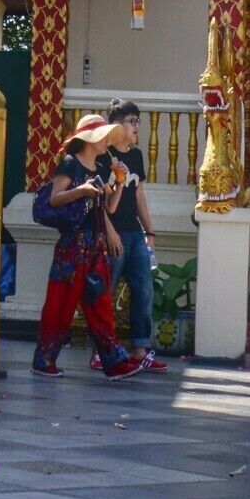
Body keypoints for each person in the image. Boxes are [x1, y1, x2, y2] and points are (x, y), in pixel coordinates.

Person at [29, 113, 140, 381]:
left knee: (100, 302)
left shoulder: (101, 167)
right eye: (102, 137)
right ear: (90, 140)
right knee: (60, 303)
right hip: (73, 244)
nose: (107, 143)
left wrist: (120, 182)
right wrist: (82, 190)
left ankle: (114, 362)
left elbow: (109, 208)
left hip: (95, 244)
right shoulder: (70, 164)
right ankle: (44, 359)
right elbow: (55, 200)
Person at [96, 99, 169, 373]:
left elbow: (138, 193)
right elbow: (99, 202)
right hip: (111, 232)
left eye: (138, 120)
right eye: (131, 121)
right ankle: (102, 351)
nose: (137, 125)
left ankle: (140, 349)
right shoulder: (104, 156)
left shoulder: (136, 155)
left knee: (144, 289)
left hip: (135, 233)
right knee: (106, 291)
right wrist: (109, 231)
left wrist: (149, 230)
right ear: (117, 124)